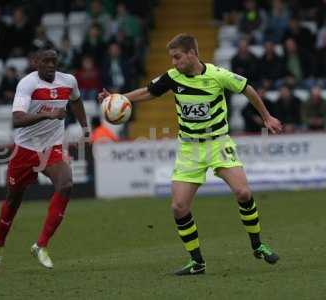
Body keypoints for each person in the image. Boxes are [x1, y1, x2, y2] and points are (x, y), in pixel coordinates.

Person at [98, 33, 283, 276]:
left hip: (218, 143)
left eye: (177, 57)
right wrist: (118, 98)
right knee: (179, 207)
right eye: (171, 58)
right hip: (189, 148)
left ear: (192, 54)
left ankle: (258, 245)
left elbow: (247, 89)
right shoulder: (173, 77)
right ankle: (197, 262)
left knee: (243, 191)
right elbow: (148, 92)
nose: (173, 63)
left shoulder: (217, 75)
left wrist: (266, 117)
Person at [0, 49, 89, 271]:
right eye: (46, 61)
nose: (51, 65)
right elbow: (17, 119)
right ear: (35, 63)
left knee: (66, 185)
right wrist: (48, 114)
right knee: (14, 199)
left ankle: (41, 245)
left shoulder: (68, 81)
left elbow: (77, 101)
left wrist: (85, 128)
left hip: (51, 147)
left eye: (54, 61)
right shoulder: (27, 84)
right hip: (25, 150)